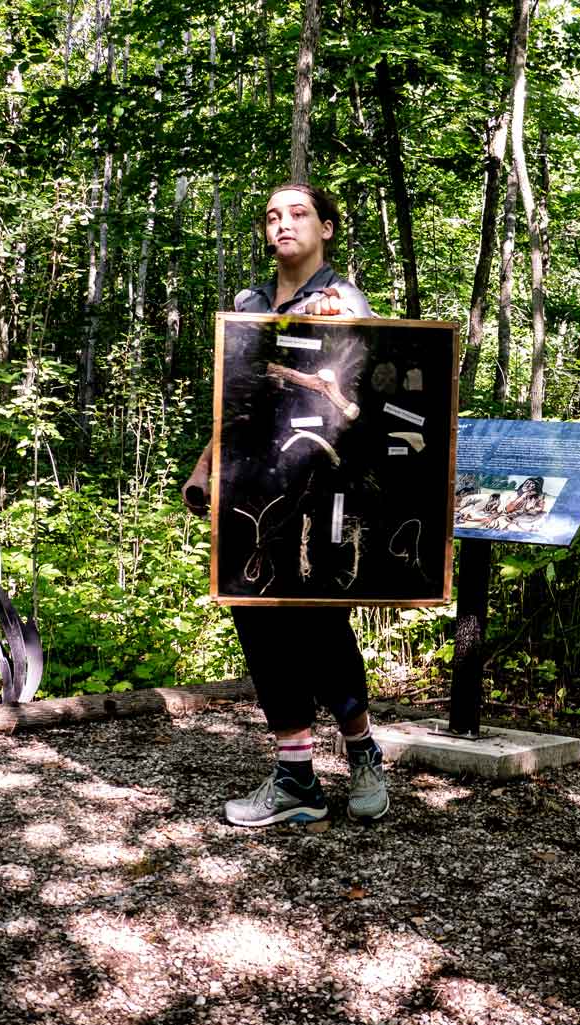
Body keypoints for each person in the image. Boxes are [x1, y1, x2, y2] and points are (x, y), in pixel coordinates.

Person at [182, 183, 390, 827]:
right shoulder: (247, 305)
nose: (283, 224)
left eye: (298, 214)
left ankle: (362, 754)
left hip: (321, 486)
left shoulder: (344, 298)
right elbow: (235, 401)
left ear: (327, 228)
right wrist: (204, 469)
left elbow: (384, 367)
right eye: (272, 215)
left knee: (318, 619)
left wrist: (352, 327)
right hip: (252, 487)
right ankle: (296, 777)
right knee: (258, 617)